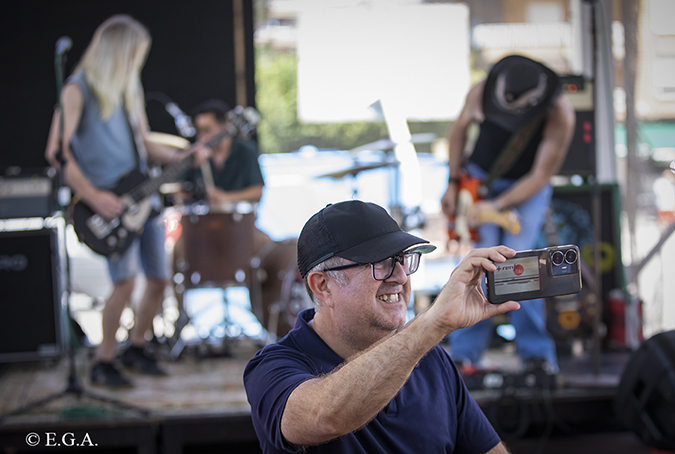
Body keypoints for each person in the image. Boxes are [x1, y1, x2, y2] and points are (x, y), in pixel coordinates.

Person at [244, 200, 520, 453]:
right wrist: (432, 323)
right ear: (323, 285)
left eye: (402, 259)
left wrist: (427, 332)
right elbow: (323, 418)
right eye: (380, 263)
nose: (400, 276)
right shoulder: (271, 367)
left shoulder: (430, 358)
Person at [44, 15, 208, 387]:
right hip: (108, 205)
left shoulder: (129, 90)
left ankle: (136, 347)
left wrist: (184, 155)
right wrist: (93, 196)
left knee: (158, 279)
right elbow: (56, 151)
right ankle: (104, 360)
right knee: (125, 282)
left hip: (144, 200)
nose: (138, 61)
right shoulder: (77, 89)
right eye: (135, 54)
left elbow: (144, 144)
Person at [440, 55, 575, 374]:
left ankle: (536, 355)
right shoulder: (481, 92)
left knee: (521, 266)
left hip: (526, 189)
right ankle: (464, 355)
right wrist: (452, 183)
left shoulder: (559, 113)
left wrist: (498, 205)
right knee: (478, 264)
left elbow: (540, 177)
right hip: (477, 182)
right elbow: (458, 133)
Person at [184, 99, 264, 205]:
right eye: (199, 131)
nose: (202, 137)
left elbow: (258, 191)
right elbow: (179, 187)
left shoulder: (245, 150)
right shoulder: (195, 155)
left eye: (207, 130)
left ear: (224, 125)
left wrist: (226, 197)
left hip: (239, 214)